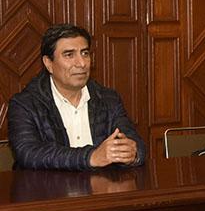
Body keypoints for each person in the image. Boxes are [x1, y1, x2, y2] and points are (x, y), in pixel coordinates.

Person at [8, 24, 145, 171]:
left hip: (102, 184)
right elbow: (28, 153)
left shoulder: (108, 98)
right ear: (48, 63)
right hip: (47, 185)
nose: (81, 63)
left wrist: (132, 153)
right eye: (69, 55)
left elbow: (135, 144)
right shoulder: (25, 104)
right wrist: (90, 157)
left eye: (85, 53)